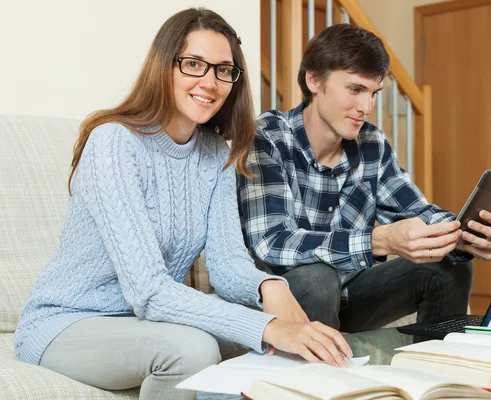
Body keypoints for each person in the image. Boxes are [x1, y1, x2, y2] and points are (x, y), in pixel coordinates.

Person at [14, 8, 351, 400]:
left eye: (224, 70)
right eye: (193, 64)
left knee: (281, 351)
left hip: (146, 324)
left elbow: (226, 265)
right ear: (165, 66)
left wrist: (268, 286)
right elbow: (150, 290)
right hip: (68, 324)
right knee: (195, 349)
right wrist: (266, 327)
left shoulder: (215, 154)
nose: (210, 82)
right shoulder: (113, 142)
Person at [237, 24, 491, 333]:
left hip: (351, 293)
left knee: (448, 268)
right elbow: (272, 243)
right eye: (355, 90)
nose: (366, 108)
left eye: (373, 94)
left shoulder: (371, 144)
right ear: (313, 79)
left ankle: (436, 373)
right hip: (285, 301)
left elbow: (418, 212)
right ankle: (316, 378)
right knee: (317, 278)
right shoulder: (268, 138)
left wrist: (464, 236)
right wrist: (377, 240)